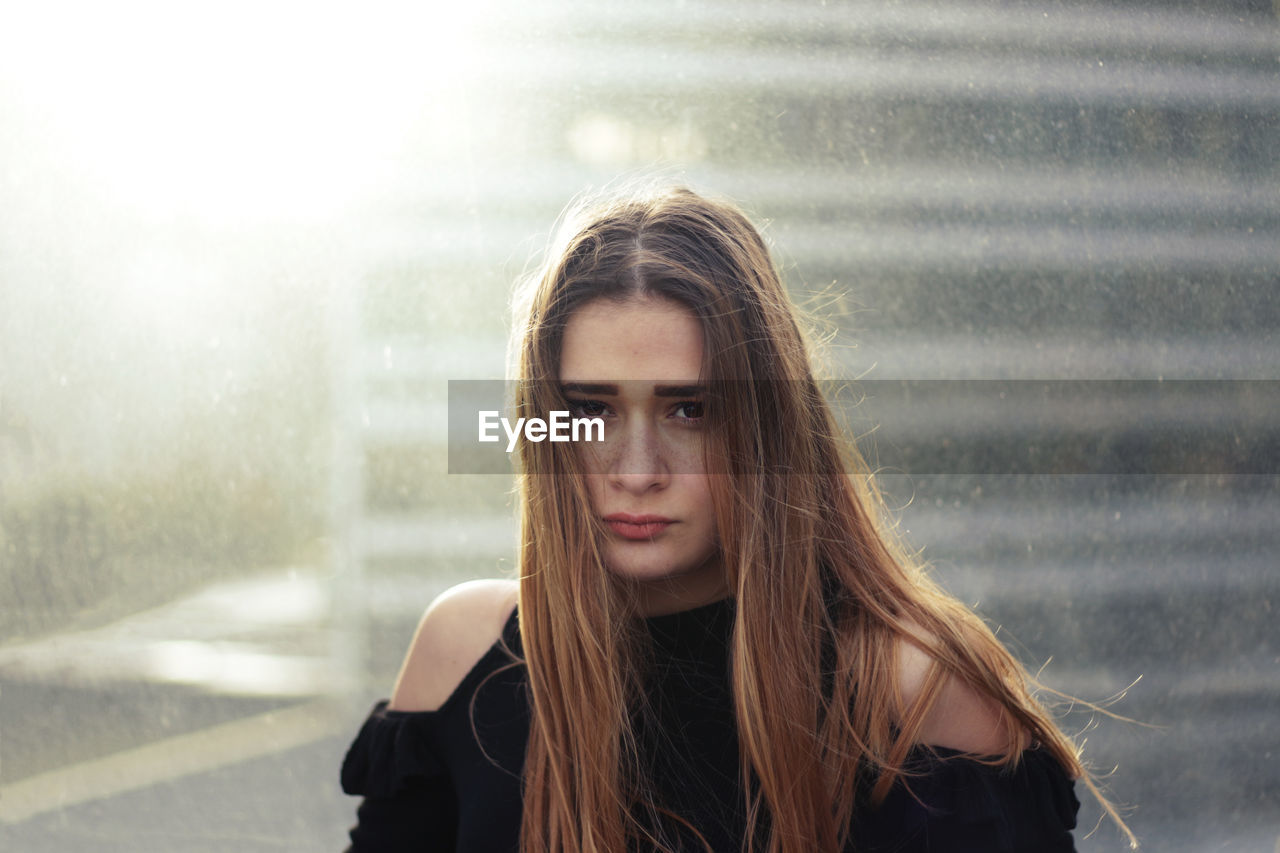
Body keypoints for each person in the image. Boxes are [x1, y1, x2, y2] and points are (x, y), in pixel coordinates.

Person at [340, 184, 1133, 852]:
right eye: (591, 410)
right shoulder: (466, 656)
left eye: (690, 409)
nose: (638, 471)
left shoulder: (910, 694)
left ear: (767, 425)